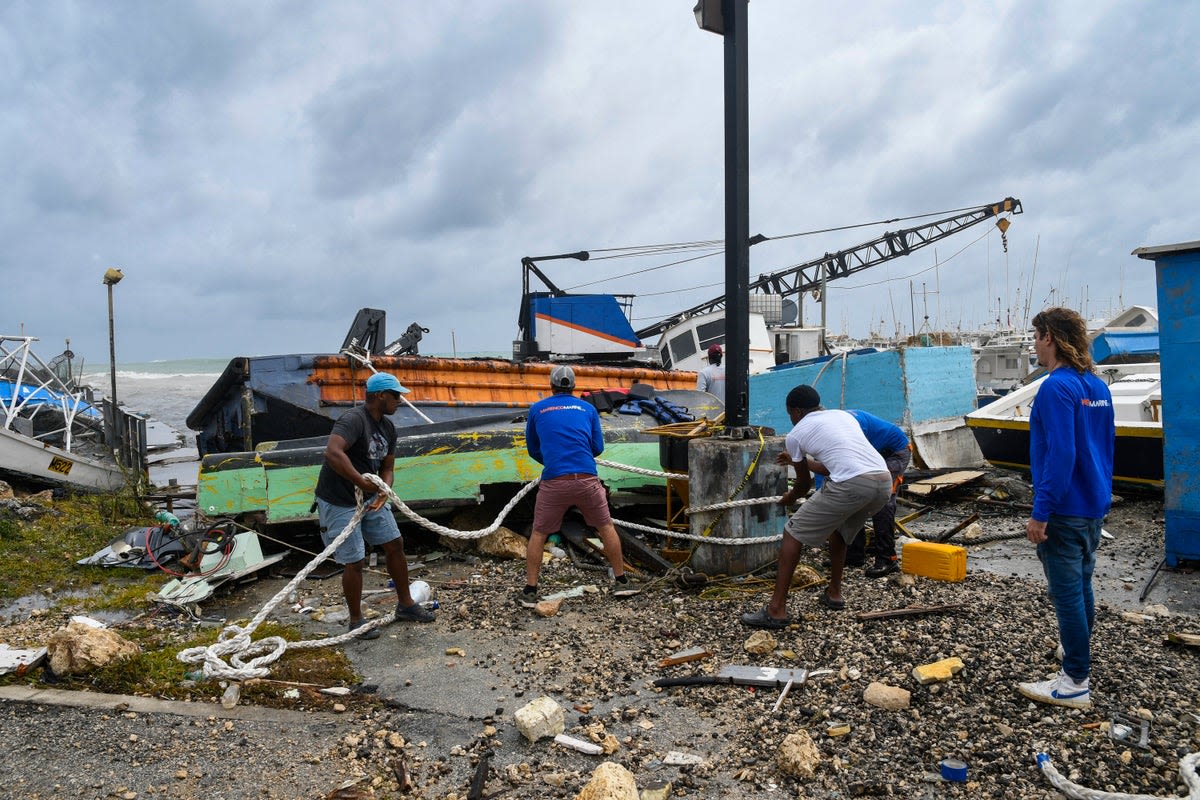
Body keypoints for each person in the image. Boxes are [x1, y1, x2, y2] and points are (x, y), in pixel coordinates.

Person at [1017, 307, 1114, 709]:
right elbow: (1104, 445)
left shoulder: (1056, 388)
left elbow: (1060, 455)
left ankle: (1075, 680)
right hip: (1093, 503)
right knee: (1083, 584)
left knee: (1067, 593)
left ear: (1050, 338)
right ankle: (1075, 652)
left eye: (1036, 336)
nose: (1034, 344)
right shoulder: (1096, 385)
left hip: (1064, 508)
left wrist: (1041, 511)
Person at [741, 385, 892, 628]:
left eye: (790, 413)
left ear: (796, 411)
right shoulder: (843, 416)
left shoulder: (796, 434)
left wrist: (790, 497)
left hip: (852, 484)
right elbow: (835, 466)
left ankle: (776, 609)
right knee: (839, 530)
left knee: (793, 531)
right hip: (882, 482)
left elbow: (803, 484)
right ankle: (834, 594)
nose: (790, 419)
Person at [314, 372, 435, 639]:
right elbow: (333, 452)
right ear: (381, 396)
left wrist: (383, 489)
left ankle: (406, 604)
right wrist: (361, 481)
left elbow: (387, 467)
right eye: (396, 395)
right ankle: (356, 622)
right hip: (340, 499)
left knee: (395, 544)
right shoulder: (354, 420)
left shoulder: (388, 428)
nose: (400, 401)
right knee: (354, 559)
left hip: (371, 495)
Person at [522, 365, 628, 603]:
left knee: (539, 533)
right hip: (587, 480)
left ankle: (530, 590)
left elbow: (533, 449)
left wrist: (553, 461)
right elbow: (597, 448)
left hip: (554, 481)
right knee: (605, 527)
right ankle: (621, 582)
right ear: (573, 386)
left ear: (551, 386)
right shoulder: (588, 409)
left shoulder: (538, 409)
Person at [843, 409, 911, 577]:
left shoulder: (852, 426)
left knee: (882, 501)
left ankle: (888, 558)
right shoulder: (826, 431)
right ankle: (854, 554)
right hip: (873, 451)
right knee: (852, 496)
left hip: (893, 452)